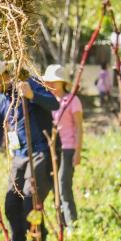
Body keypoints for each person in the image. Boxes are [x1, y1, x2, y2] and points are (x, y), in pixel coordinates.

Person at [0, 56, 59, 241]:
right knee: (12, 202)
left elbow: (54, 103)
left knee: (31, 202)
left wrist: (31, 96)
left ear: (2, 75)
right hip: (18, 155)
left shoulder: (28, 83)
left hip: (39, 152)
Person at [42, 64, 83, 230]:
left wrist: (78, 151)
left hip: (68, 147)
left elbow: (79, 126)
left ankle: (72, 223)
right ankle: (61, 223)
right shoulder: (48, 101)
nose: (52, 84)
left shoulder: (72, 100)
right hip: (53, 148)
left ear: (63, 82)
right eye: (49, 81)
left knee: (64, 185)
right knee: (54, 186)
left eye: (55, 81)